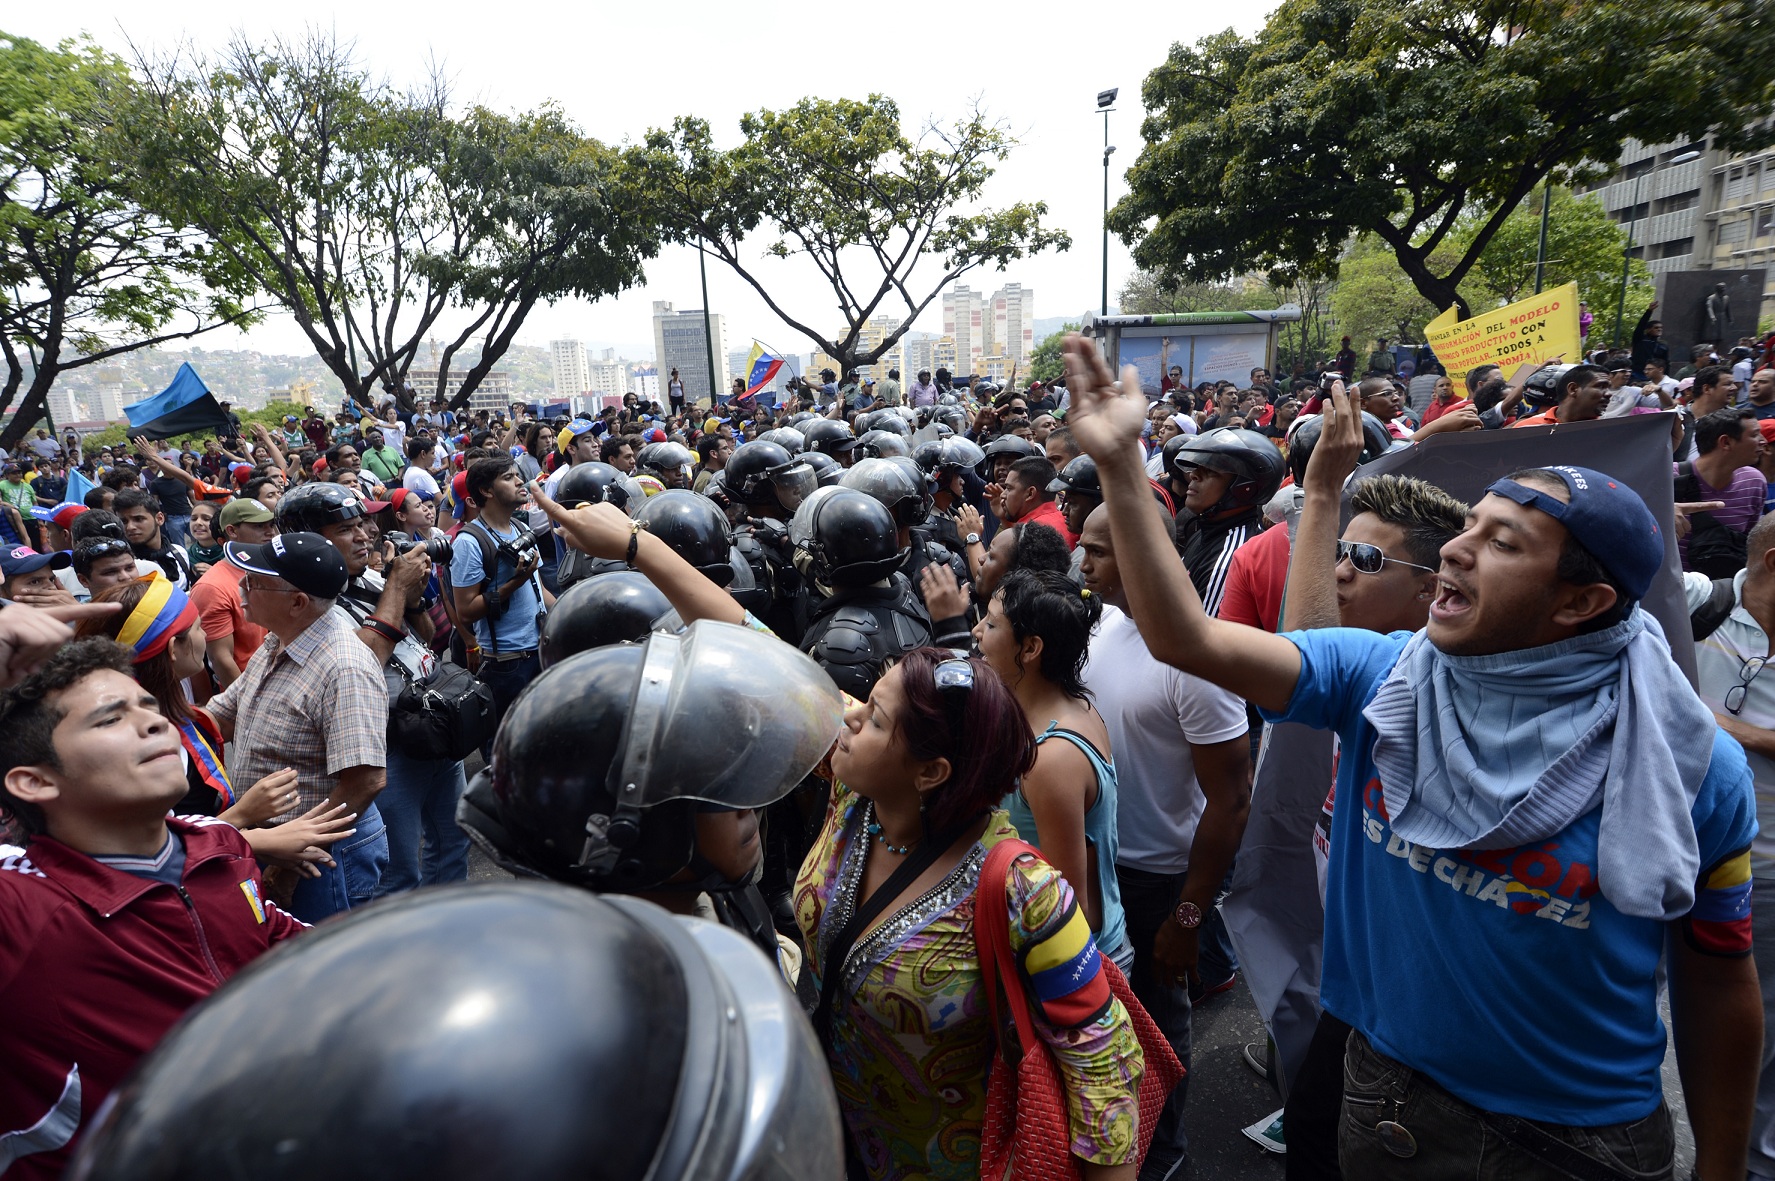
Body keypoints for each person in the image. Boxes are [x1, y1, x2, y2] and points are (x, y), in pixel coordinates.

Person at [1063, 333, 1761, 1181]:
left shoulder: (1691, 765)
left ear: (1582, 600)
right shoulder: (1381, 676)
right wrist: (1119, 465)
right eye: (1469, 526)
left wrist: (1720, 1167)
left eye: (1503, 543)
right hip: (1381, 1102)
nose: (1458, 551)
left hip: (1573, 1145)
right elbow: (1182, 636)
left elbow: (1718, 978)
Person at [790, 640, 1145, 1179]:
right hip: (826, 1135)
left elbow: (1102, 1062)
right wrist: (639, 550)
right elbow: (765, 654)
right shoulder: (856, 795)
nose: (853, 714)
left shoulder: (1025, 892)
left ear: (930, 772)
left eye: (876, 717)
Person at [0, 638, 306, 1181]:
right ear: (35, 781)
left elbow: (292, 947)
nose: (156, 723)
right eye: (109, 719)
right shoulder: (22, 911)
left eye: (148, 707)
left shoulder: (222, 848)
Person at [1077, 501, 1252, 1181]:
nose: (1081, 561)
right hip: (1093, 862)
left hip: (1156, 882)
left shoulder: (1197, 658)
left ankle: (1163, 1151)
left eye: (1097, 549)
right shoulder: (1102, 623)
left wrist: (1189, 914)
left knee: (1157, 1025)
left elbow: (1232, 797)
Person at [206, 532, 390, 924]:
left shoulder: (344, 667)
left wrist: (290, 865)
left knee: (329, 973)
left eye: (255, 581)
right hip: (283, 847)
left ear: (297, 602)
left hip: (323, 859)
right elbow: (221, 716)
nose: (242, 587)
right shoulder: (278, 641)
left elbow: (365, 782)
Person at [973, 567, 1133, 973]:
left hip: (1073, 967)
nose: (976, 631)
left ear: (1030, 648)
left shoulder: (1051, 759)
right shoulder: (1055, 707)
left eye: (991, 623)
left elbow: (1067, 907)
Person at [452, 456, 555, 739]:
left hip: (540, 652)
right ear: (486, 491)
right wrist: (514, 582)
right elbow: (467, 611)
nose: (520, 481)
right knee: (509, 743)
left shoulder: (521, 529)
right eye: (509, 478)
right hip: (507, 666)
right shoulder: (469, 543)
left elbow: (540, 590)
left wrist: (567, 617)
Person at [1165, 428, 1285, 617]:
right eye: (1196, 468)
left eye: (1211, 471)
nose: (1194, 475)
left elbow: (1201, 640)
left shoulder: (1227, 560)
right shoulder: (1206, 529)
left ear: (1245, 488)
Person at [188, 497, 276, 690]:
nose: (270, 532)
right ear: (232, 531)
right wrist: (246, 704)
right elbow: (221, 659)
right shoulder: (212, 587)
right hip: (249, 691)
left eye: (271, 524)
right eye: (259, 526)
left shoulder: (267, 570)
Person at [1677, 407, 1767, 578]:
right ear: (1725, 442)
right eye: (1755, 435)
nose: (1763, 441)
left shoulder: (1754, 482)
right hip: (1673, 590)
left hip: (1723, 593)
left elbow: (1750, 542)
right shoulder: (1667, 477)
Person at [113, 489, 194, 590]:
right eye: (124, 521)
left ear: (159, 519)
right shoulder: (125, 569)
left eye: (138, 519)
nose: (130, 527)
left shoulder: (179, 553)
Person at [1509, 363, 1611, 427]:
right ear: (1573, 389)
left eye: (1609, 388)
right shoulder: (1527, 428)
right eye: (1601, 386)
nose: (1609, 394)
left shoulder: (1610, 432)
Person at [1631, 301, 1670, 379]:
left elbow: (1666, 362)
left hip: (1655, 377)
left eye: (1661, 328)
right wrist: (1649, 311)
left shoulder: (1663, 346)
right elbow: (1640, 326)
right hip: (1637, 375)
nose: (1659, 329)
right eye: (1656, 328)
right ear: (1648, 330)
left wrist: (1666, 376)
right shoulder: (1640, 340)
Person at [185, 501, 224, 577]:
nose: (198, 522)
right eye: (194, 518)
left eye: (206, 519)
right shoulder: (185, 556)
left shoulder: (231, 555)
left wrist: (216, 574)